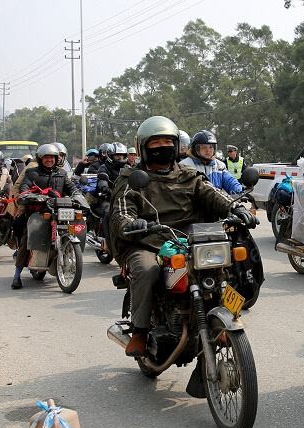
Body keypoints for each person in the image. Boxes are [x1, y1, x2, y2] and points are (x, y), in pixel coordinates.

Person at [108, 116, 255, 357]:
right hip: (147, 241)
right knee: (147, 270)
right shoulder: (132, 180)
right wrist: (131, 223)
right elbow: (121, 213)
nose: (162, 148)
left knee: (227, 265)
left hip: (191, 240)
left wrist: (236, 208)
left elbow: (212, 195)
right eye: (155, 144)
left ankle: (228, 317)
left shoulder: (188, 175)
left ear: (176, 146)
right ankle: (140, 331)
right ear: (144, 148)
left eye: (167, 143)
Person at [11, 144, 86, 289]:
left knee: (75, 223)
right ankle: (17, 275)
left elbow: (72, 188)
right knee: (28, 237)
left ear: (57, 159)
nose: (49, 160)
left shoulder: (62, 174)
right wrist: (30, 196)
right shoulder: (32, 173)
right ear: (40, 159)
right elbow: (24, 188)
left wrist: (78, 196)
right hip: (40, 211)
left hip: (60, 209)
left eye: (52, 157)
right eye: (46, 157)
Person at [179, 130, 243, 194]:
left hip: (218, 202)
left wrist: (240, 190)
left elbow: (230, 181)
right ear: (196, 149)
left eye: (211, 147)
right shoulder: (184, 166)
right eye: (204, 147)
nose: (208, 150)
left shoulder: (219, 166)